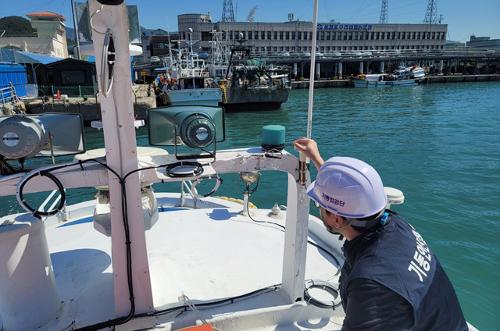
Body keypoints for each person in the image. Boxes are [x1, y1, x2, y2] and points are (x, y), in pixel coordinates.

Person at [294, 137, 468, 331]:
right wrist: (318, 160)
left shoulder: (371, 284)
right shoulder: (397, 224)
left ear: (337, 219)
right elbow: (353, 196)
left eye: (320, 205)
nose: (318, 208)